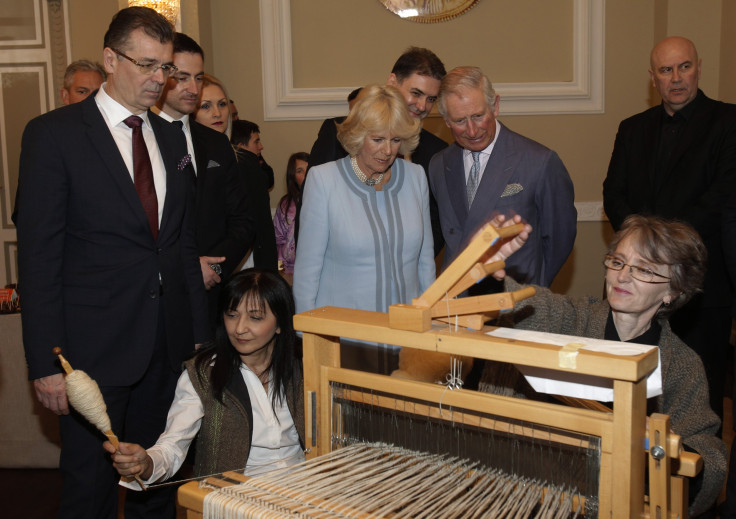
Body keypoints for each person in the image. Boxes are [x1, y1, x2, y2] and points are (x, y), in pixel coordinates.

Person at [15, 7, 210, 519]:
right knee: (90, 489)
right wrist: (44, 363)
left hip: (166, 347)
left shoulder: (171, 138)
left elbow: (180, 245)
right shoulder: (53, 135)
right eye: (147, 65)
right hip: (89, 355)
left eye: (164, 67)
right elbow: (38, 259)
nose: (158, 79)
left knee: (158, 483)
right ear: (110, 58)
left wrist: (198, 335)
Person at [478, 214, 726, 518]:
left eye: (644, 270)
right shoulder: (573, 317)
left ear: (673, 291)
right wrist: (490, 275)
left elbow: (708, 453)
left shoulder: (683, 364)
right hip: (538, 494)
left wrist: (660, 452)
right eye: (618, 262)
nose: (622, 277)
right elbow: (521, 306)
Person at [602, 36, 736, 422]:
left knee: (699, 395)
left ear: (699, 67)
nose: (676, 78)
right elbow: (614, 193)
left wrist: (659, 251)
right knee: (625, 387)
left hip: (701, 289)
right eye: (665, 70)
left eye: (684, 67)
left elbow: (722, 197)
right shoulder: (632, 128)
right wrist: (641, 252)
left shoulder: (729, 123)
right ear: (653, 78)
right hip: (633, 285)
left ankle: (694, 480)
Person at [104, 269, 305, 484]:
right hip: (234, 498)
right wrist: (146, 464)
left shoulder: (303, 366)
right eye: (232, 315)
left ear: (280, 324)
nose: (239, 328)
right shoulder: (204, 373)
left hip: (307, 488)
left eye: (255, 317)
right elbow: (172, 445)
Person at [293, 84, 435, 374]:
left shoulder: (416, 177)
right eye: (378, 139)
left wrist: (429, 322)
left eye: (396, 140)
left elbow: (425, 262)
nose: (387, 150)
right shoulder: (324, 180)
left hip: (406, 339)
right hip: (345, 340)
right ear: (358, 136)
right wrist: (308, 335)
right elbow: (308, 269)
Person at [429, 66, 576, 292]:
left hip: (515, 300)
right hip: (455, 303)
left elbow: (560, 238)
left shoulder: (539, 161)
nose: (472, 130)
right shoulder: (438, 164)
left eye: (478, 116)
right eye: (459, 121)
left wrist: (536, 288)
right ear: (446, 121)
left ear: (495, 106)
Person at [306, 47, 447, 256]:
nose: (422, 106)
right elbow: (309, 219)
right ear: (392, 82)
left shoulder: (437, 151)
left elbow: (434, 226)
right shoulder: (337, 133)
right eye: (416, 93)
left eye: (431, 99)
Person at [154, 32, 254, 328]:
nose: (193, 88)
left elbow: (243, 222)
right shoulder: (138, 138)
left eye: (198, 78)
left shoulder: (216, 143)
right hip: (156, 295)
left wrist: (212, 268)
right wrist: (186, 266)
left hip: (212, 295)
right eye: (182, 77)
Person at [231, 119, 278, 272]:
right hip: (251, 251)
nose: (261, 147)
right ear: (240, 147)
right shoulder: (249, 168)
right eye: (256, 142)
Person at [273, 152, 308, 283]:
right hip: (289, 271)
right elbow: (277, 239)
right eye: (300, 171)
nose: (306, 175)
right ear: (293, 177)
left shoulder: (324, 202)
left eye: (309, 169)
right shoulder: (286, 205)